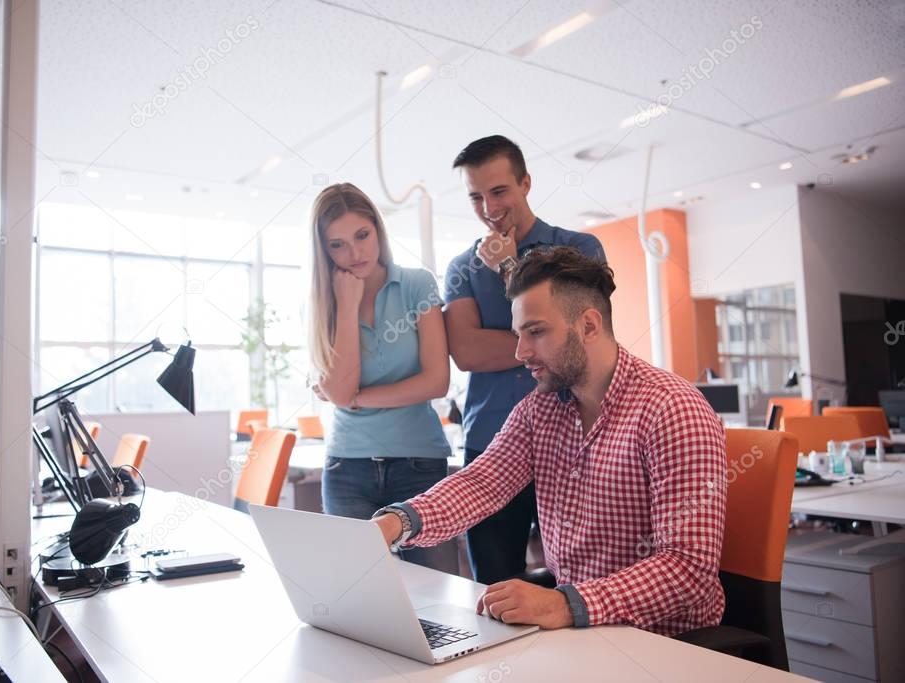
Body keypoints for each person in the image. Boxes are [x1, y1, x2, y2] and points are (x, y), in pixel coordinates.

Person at [373, 246, 727, 635]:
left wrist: (565, 603)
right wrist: (397, 523)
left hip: (664, 643)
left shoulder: (672, 409)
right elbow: (481, 483)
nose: (520, 352)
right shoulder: (539, 410)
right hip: (580, 632)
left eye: (536, 332)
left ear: (589, 326)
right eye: (518, 335)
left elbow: (688, 569)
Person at [443, 135, 606, 584]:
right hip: (490, 441)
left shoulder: (579, 251)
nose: (489, 207)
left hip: (571, 440)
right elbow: (467, 353)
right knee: (496, 588)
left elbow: (582, 340)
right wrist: (544, 335)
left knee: (579, 580)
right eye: (476, 197)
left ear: (526, 184)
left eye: (499, 192)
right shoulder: (460, 268)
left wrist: (510, 270)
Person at [308, 182, 457, 572]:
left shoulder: (416, 284)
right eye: (338, 244)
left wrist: (358, 398)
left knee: (438, 592)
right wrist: (347, 305)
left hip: (418, 463)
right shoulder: (325, 301)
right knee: (355, 595)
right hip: (347, 466)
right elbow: (340, 390)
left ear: (378, 228)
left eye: (362, 235)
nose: (355, 253)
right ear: (323, 249)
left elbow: (436, 381)